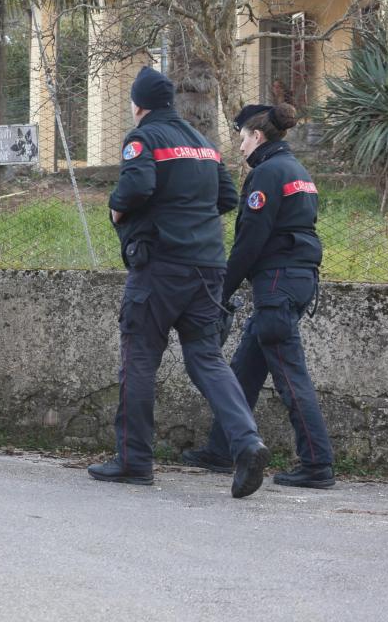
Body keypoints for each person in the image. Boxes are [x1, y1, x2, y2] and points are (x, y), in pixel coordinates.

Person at [89, 66, 271, 499]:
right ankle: (246, 443)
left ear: (138, 104)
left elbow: (135, 188)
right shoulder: (203, 144)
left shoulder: (142, 138)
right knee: (206, 358)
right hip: (208, 267)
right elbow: (227, 198)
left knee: (139, 359)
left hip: (159, 268)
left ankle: (134, 461)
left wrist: (117, 210)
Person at [182, 103, 334, 488]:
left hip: (278, 283)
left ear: (257, 136)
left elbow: (250, 241)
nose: (240, 147)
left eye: (243, 138)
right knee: (246, 369)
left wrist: (221, 290)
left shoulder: (266, 174)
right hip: (296, 280)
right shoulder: (296, 170)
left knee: (290, 376)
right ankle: (221, 449)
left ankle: (317, 464)